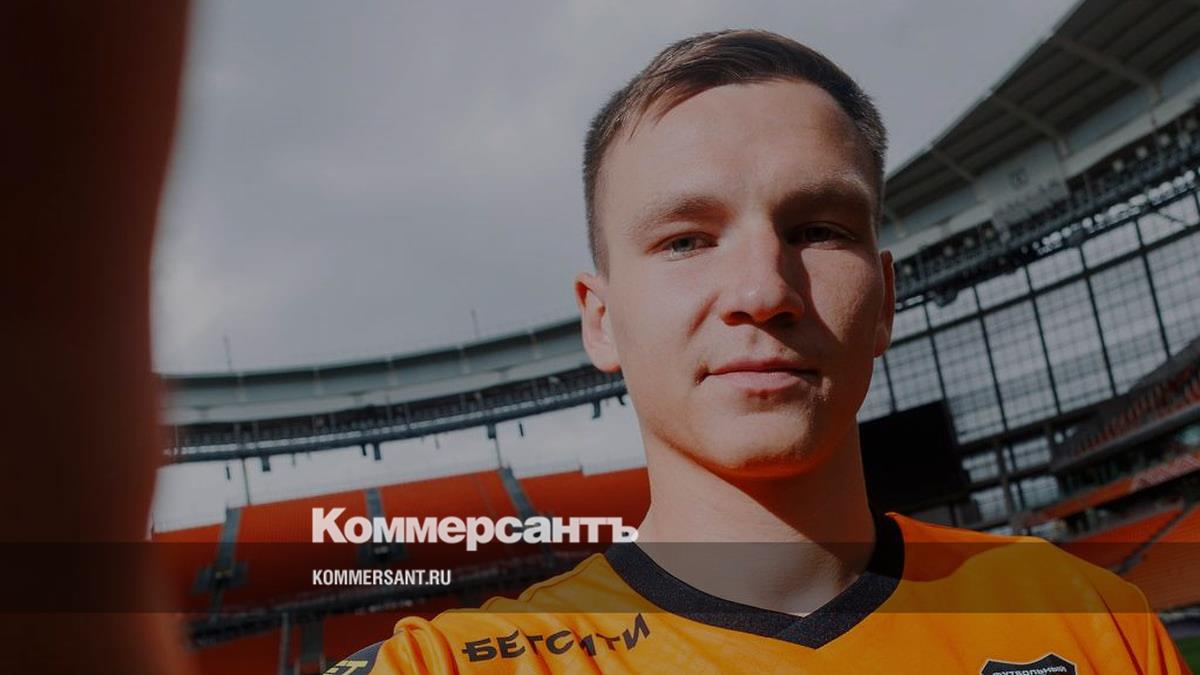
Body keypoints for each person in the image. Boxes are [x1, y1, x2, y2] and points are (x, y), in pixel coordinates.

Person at [323, 28, 1192, 675]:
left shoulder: (1092, 620)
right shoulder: (444, 665)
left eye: (818, 229)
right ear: (601, 320)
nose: (762, 289)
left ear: (886, 300)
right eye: (685, 240)